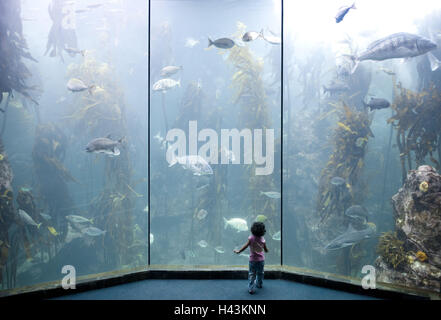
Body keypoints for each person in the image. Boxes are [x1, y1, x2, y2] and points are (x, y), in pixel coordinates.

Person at [234, 222, 269, 294]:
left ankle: (251, 288)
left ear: (252, 230)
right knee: (260, 273)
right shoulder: (263, 240)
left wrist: (239, 251)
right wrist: (267, 250)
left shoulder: (251, 238)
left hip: (252, 260)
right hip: (261, 260)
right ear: (263, 231)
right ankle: (259, 284)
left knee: (252, 274)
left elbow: (245, 246)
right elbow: (265, 250)